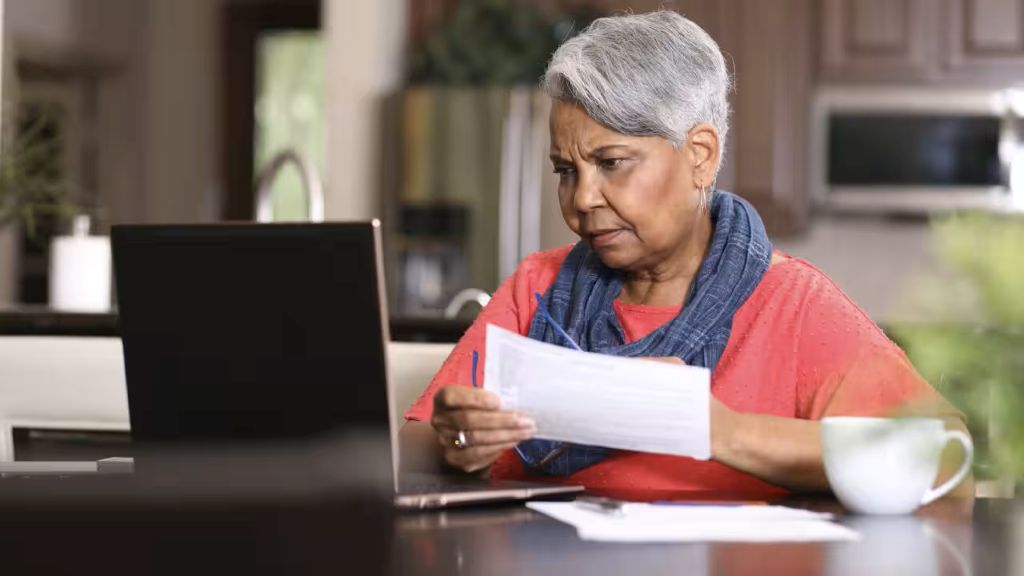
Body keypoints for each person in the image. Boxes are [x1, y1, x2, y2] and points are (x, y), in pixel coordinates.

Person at [400, 10, 968, 498]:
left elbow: (943, 460)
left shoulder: (792, 305)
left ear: (699, 155)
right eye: (566, 171)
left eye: (612, 162)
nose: (582, 199)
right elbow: (413, 446)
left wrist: (717, 430)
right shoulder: (537, 288)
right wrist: (456, 440)